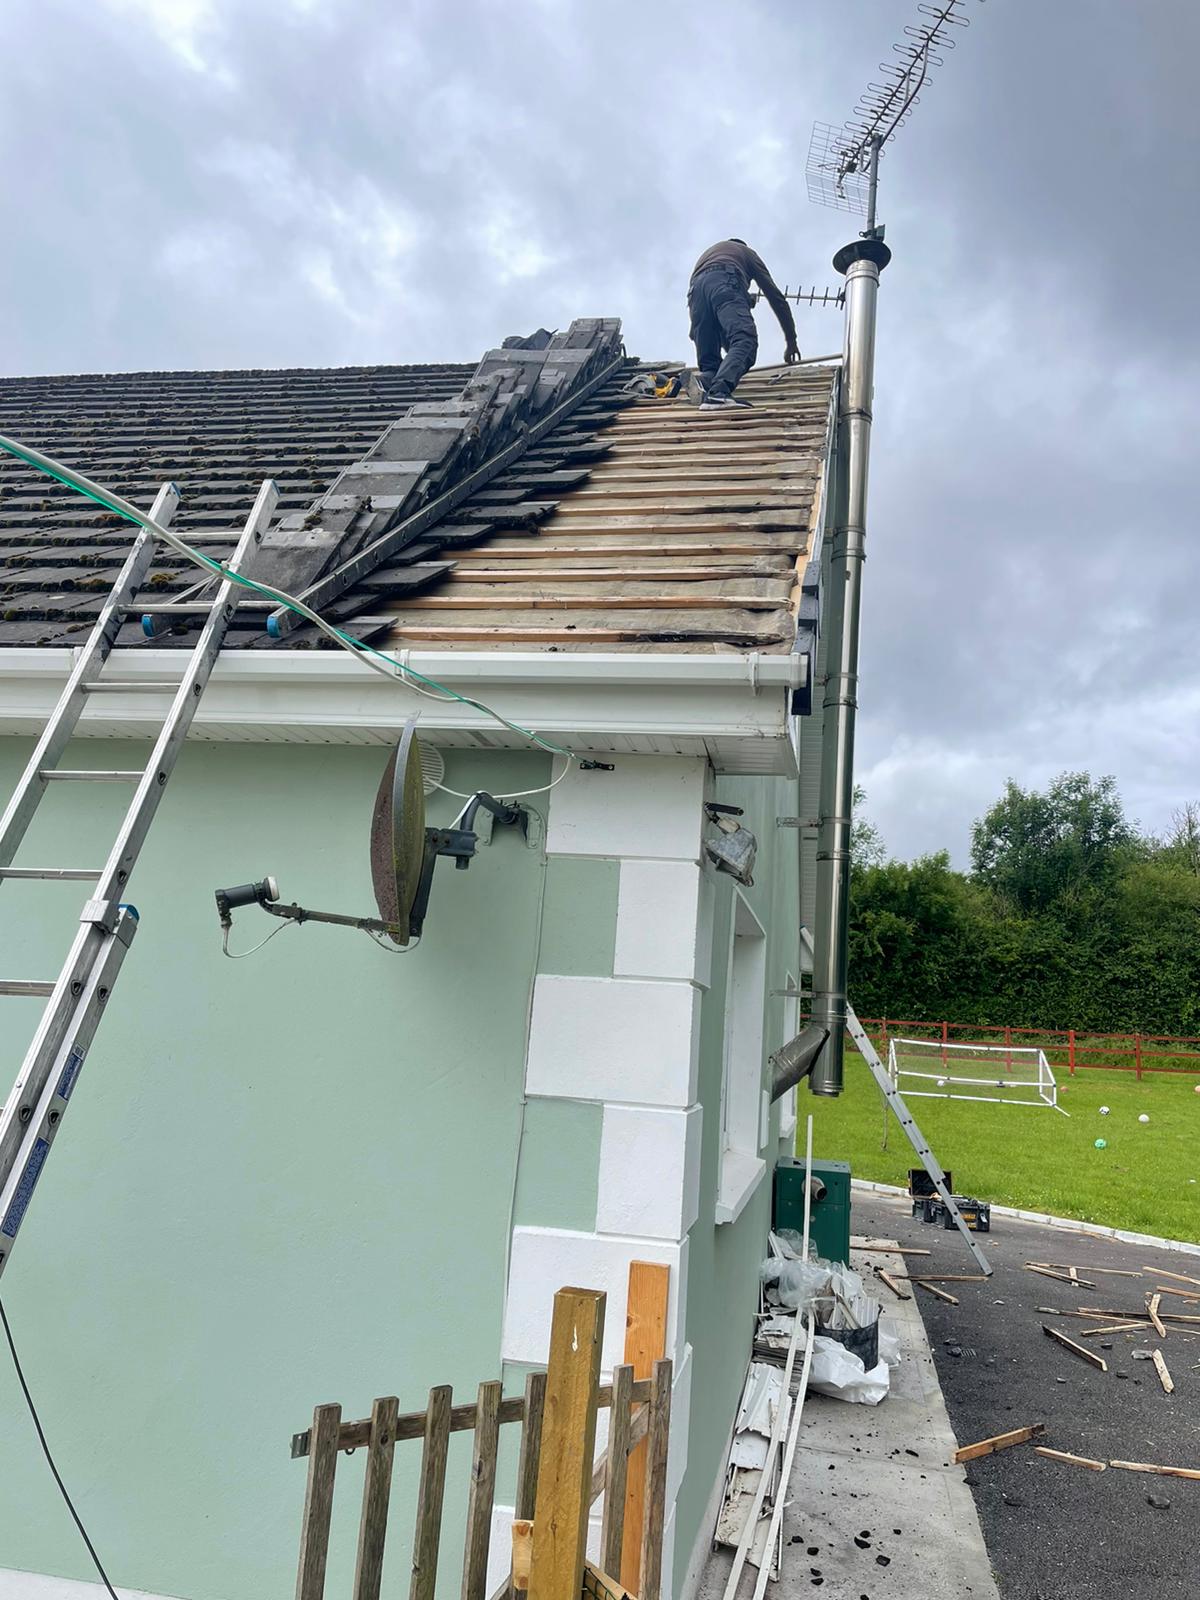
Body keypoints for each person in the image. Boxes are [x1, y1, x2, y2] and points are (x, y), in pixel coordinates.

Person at [687, 239, 800, 409]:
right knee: (745, 341)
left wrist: (745, 299)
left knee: (711, 365)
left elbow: (703, 325)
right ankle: (719, 393)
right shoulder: (747, 252)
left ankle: (704, 381)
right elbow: (776, 298)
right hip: (726, 279)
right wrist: (791, 341)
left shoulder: (708, 256)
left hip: (695, 293)